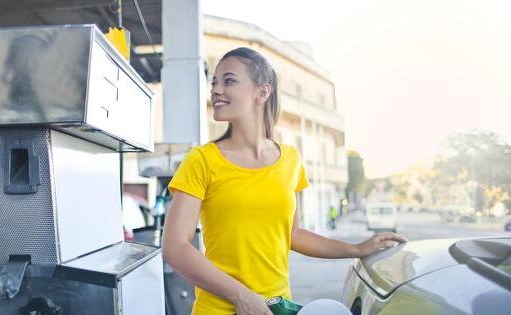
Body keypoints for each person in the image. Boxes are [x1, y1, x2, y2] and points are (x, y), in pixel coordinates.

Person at [161, 47, 408, 315]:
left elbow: (294, 235)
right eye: (215, 83)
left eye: (229, 81)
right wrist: (242, 296)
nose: (216, 90)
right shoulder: (201, 160)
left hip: (277, 308)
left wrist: (356, 248)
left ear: (262, 92)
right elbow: (175, 247)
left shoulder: (290, 160)